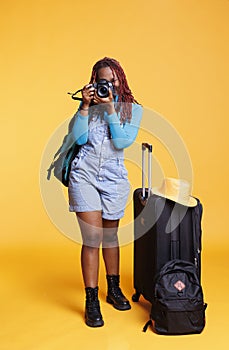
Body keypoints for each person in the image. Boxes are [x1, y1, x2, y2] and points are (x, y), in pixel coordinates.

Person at [68, 57, 143, 327]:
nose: (108, 85)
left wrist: (111, 109)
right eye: (103, 81)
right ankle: (91, 300)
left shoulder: (133, 109)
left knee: (110, 236)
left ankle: (113, 289)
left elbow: (122, 141)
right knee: (93, 238)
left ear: (120, 80)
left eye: (113, 80)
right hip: (84, 174)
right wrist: (86, 106)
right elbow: (79, 139)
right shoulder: (86, 107)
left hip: (114, 178)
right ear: (93, 82)